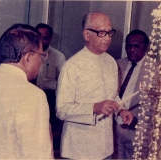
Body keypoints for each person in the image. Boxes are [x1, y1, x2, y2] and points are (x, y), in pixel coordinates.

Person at [0, 23, 53, 159]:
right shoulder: (32, 95)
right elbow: (38, 155)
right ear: (28, 57)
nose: (41, 62)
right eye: (41, 56)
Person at [56, 11, 133, 159]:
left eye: (110, 32)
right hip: (79, 150)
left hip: (106, 148)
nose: (107, 38)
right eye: (101, 33)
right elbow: (62, 109)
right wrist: (94, 107)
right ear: (87, 34)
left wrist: (121, 110)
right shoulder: (72, 66)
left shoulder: (111, 62)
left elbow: (113, 96)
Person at [112, 29, 153, 159]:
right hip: (114, 126)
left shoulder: (155, 70)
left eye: (137, 46)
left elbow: (160, 108)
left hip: (138, 131)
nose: (132, 50)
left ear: (146, 47)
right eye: (129, 45)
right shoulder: (117, 64)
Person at [35, 23, 66, 133]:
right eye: (37, 37)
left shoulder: (58, 57)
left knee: (47, 130)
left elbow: (63, 83)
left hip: (49, 97)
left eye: (44, 38)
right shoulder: (28, 53)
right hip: (31, 94)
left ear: (50, 38)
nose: (40, 41)